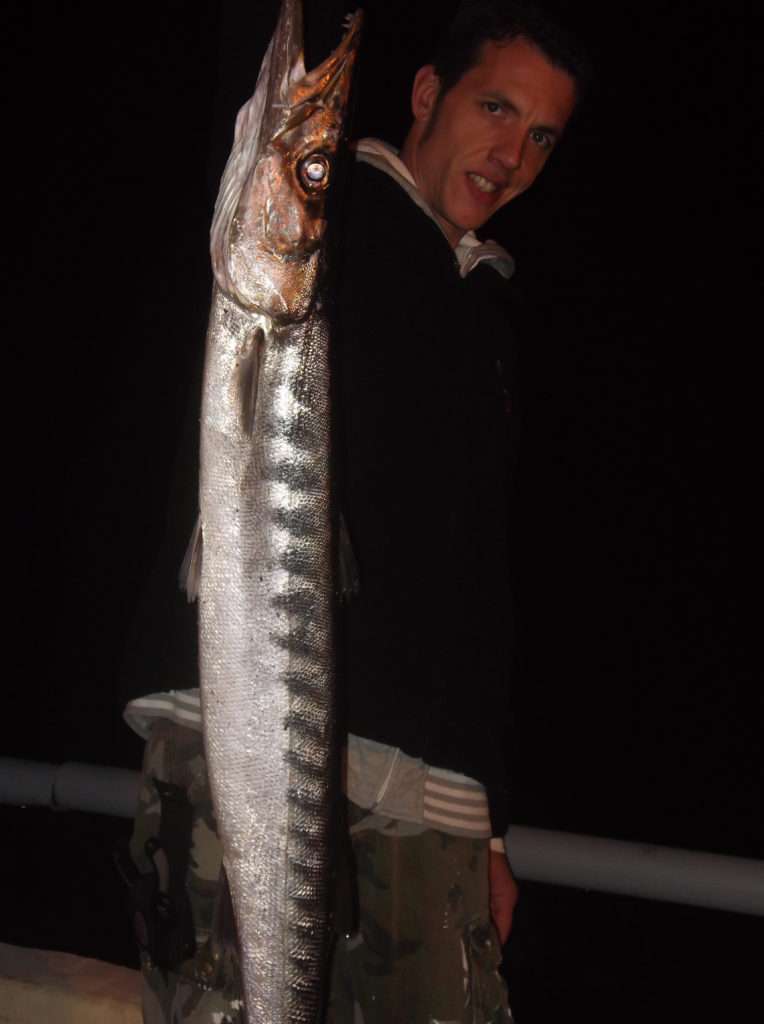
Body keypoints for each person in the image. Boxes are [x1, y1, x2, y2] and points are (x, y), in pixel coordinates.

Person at [121, 3, 588, 1022]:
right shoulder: (323, 236)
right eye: (494, 107)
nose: (511, 154)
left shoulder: (493, 309)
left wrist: (491, 827)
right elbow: (269, 108)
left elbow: (480, 591)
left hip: (432, 808)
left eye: (541, 134)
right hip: (244, 741)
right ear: (425, 95)